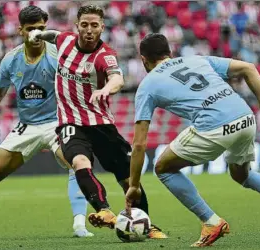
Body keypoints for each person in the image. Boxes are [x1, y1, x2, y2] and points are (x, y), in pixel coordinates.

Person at [125, 33, 260, 247]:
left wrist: (134, 185)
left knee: (163, 167)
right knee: (243, 175)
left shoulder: (147, 86)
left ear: (144, 60)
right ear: (170, 53)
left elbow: (139, 144)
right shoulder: (198, 59)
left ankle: (211, 221)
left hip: (214, 126)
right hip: (245, 117)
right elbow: (248, 68)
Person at [0, 6, 93, 242]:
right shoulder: (11, 59)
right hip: (27, 126)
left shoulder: (58, 55)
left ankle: (79, 224)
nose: (36, 35)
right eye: (31, 30)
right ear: (20, 30)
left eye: (41, 29)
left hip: (57, 123)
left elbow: (79, 83)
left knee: (77, 162)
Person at [30, 5, 167, 238]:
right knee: (80, 161)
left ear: (102, 27)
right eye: (84, 25)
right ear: (77, 26)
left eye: (95, 25)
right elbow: (53, 35)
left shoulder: (105, 56)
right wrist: (38, 34)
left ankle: (145, 223)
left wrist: (105, 88)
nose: (89, 30)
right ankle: (104, 210)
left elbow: (117, 78)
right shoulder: (64, 41)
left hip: (101, 124)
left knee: (126, 177)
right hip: (70, 123)